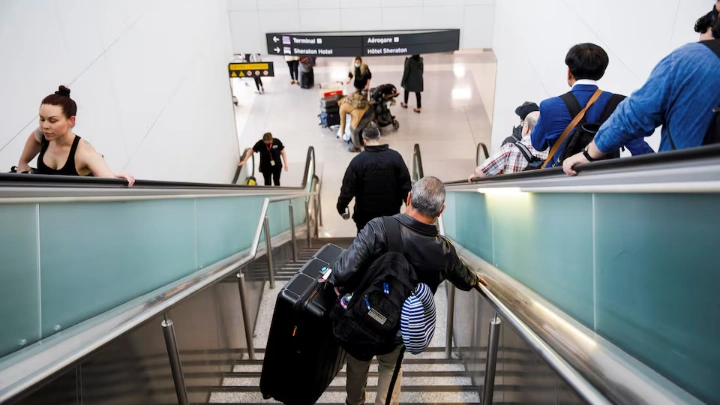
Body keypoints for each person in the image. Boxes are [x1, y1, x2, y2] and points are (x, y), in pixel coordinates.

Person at [326, 176, 487, 405]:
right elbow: (464, 280)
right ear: (440, 211)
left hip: (361, 320)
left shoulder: (378, 228)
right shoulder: (445, 252)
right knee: (390, 366)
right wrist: (474, 279)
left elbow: (342, 272)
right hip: (395, 331)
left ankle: (354, 402)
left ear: (409, 198)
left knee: (357, 363)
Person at [563, 18, 720, 175]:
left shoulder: (689, 59)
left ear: (569, 71)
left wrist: (588, 154)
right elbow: (637, 146)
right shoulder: (617, 100)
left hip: (690, 178)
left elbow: (634, 118)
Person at [531, 43, 654, 168]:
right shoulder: (620, 103)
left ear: (569, 71)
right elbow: (639, 150)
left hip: (561, 179)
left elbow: (538, 144)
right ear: (602, 72)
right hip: (605, 180)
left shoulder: (549, 106)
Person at [16, 86, 135, 185]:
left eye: (53, 121)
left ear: (71, 121)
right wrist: (22, 162)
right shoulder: (43, 134)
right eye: (42, 119)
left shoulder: (84, 151)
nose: (45, 126)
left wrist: (114, 177)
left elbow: (108, 181)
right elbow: (34, 138)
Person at [337, 125, 412, 233]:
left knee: (365, 246)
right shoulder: (395, 157)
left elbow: (347, 188)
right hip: (391, 215)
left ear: (364, 141)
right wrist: (409, 205)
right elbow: (406, 185)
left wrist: (341, 206)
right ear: (380, 139)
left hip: (365, 218)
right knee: (390, 242)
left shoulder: (358, 162)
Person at [470, 111, 546, 179]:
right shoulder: (552, 151)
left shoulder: (509, 150)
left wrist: (474, 175)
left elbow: (481, 172)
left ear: (526, 128)